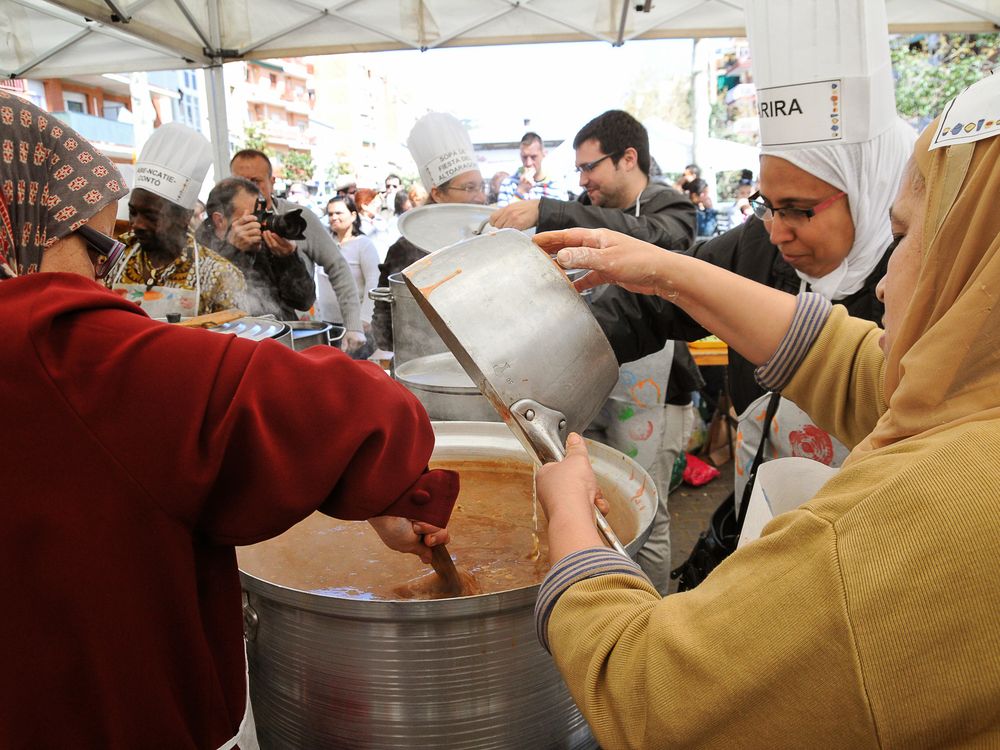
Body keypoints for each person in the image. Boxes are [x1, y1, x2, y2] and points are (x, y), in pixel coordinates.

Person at [530, 92, 1000, 745]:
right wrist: (667, 273)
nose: (887, 281)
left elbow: (649, 694)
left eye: (906, 235)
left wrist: (572, 518)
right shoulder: (975, 398)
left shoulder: (896, 527)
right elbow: (849, 359)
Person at [0, 92, 459, 748]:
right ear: (25, 221)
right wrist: (397, 488)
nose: (104, 273)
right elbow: (338, 410)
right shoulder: (60, 352)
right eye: (97, 242)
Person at [587, 0, 916, 505]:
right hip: (761, 494)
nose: (778, 232)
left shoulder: (918, 272)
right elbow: (659, 300)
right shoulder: (759, 242)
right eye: (767, 204)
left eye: (799, 209)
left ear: (868, 191)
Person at [492, 109, 701, 593]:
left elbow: (655, 240)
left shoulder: (672, 210)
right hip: (594, 380)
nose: (584, 181)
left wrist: (549, 211)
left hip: (651, 392)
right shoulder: (587, 208)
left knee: (646, 504)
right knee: (599, 494)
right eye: (579, 171)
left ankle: (653, 615)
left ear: (628, 158)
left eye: (591, 168)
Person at [372, 111, 487, 353]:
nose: (480, 197)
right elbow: (385, 325)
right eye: (469, 188)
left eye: (481, 187)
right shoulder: (406, 248)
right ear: (437, 193)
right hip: (421, 364)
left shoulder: (488, 240)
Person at [231, 149, 366, 353]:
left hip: (299, 334)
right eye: (240, 182)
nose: (248, 188)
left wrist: (354, 326)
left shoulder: (295, 218)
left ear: (272, 181)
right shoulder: (221, 223)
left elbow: (337, 266)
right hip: (239, 339)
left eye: (255, 181)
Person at [106, 123, 247, 318]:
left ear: (184, 217)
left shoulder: (220, 274)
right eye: (133, 212)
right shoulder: (111, 260)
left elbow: (237, 339)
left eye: (151, 216)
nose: (137, 224)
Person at [196, 176, 316, 320]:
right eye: (251, 217)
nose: (259, 222)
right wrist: (233, 251)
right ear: (219, 220)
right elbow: (215, 309)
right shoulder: (198, 254)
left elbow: (304, 301)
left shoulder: (264, 241)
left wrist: (289, 258)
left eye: (261, 214)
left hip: (281, 336)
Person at [319, 194, 380, 358]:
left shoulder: (363, 244)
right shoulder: (324, 244)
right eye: (330, 214)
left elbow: (373, 282)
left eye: (339, 213)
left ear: (353, 215)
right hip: (326, 323)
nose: (334, 218)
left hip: (355, 325)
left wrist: (365, 318)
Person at [495, 132, 567, 206]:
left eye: (533, 157)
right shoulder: (508, 184)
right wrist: (520, 192)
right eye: (524, 157)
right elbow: (502, 217)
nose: (528, 163)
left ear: (543, 154)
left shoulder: (556, 184)